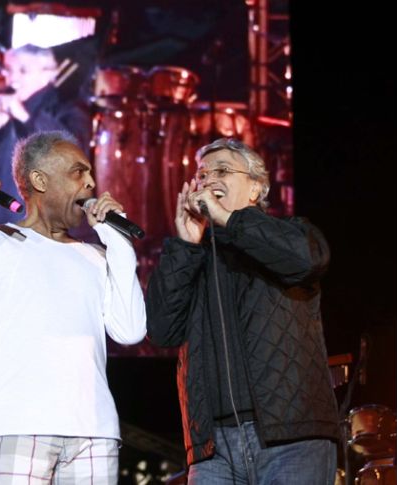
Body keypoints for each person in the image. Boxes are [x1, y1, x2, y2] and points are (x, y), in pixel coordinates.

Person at [0, 130, 147, 485]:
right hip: (15, 430)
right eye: (79, 172)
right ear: (39, 180)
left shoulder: (96, 255)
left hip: (94, 434)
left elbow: (131, 330)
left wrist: (117, 240)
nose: (92, 183)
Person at [145, 138, 339, 485]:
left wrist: (228, 220)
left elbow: (307, 260)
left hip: (290, 439)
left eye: (222, 170)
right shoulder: (195, 258)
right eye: (202, 175)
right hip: (213, 449)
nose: (208, 180)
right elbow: (161, 330)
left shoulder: (291, 232)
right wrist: (184, 248)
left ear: (255, 187)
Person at [0, 44, 91, 226]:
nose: (13, 79)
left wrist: (26, 117)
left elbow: (70, 157)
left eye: (23, 71)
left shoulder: (69, 109)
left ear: (48, 74)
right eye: (10, 71)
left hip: (47, 231)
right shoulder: (4, 108)